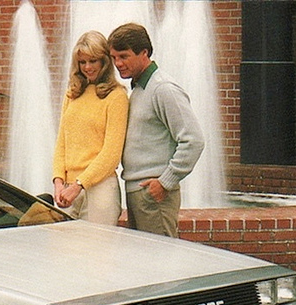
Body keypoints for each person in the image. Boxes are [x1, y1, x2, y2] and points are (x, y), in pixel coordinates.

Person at [109, 23, 204, 238]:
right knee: (146, 264)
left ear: (144, 53)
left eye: (123, 56)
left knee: (160, 263)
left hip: (154, 194)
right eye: (114, 57)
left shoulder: (163, 89)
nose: (118, 63)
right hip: (139, 191)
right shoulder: (141, 88)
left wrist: (165, 182)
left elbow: (194, 140)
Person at [51, 31, 129, 226]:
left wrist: (79, 185)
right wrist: (58, 182)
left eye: (93, 61)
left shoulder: (116, 96)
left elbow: (112, 153)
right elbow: (62, 142)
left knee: (98, 252)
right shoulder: (72, 94)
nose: (87, 67)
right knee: (65, 251)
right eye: (82, 62)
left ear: (104, 61)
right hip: (68, 190)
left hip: (100, 188)